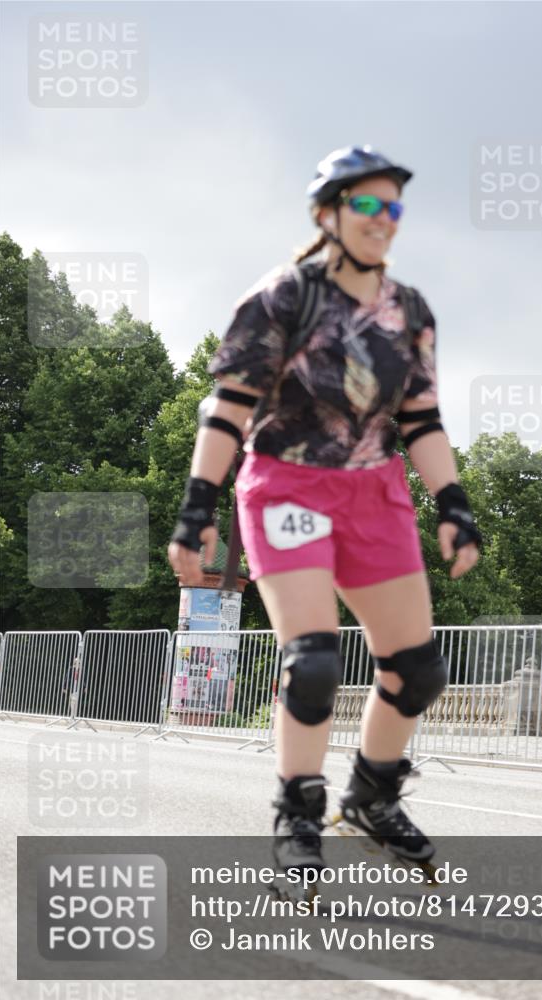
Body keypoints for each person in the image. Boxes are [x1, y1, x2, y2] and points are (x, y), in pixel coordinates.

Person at [168, 145, 481, 876]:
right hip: (288, 486)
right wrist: (197, 506)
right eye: (366, 205)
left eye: (392, 208)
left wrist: (454, 506)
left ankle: (372, 797)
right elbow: (229, 405)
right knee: (312, 664)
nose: (382, 220)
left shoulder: (410, 312)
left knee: (417, 669)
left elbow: (422, 420)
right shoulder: (284, 296)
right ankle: (297, 815)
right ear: (328, 212)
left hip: (375, 492)